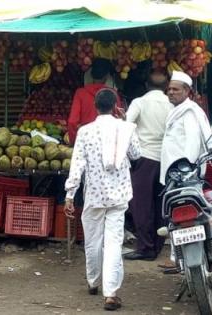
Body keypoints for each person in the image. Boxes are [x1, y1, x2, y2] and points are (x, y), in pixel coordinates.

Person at [64, 89, 142, 311]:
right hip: (118, 196)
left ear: (96, 106)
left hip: (94, 195)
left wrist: (70, 194)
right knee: (113, 243)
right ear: (116, 105)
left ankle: (93, 281)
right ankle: (111, 293)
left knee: (93, 240)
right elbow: (136, 154)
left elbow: (77, 164)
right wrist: (126, 122)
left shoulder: (85, 132)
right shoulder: (125, 129)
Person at [124, 72, 174, 261]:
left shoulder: (139, 103)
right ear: (166, 86)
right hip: (166, 160)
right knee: (160, 203)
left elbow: (126, 126)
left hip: (144, 158)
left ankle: (145, 247)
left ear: (146, 84)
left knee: (141, 205)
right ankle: (156, 246)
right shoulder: (171, 105)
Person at [160, 71, 212, 186]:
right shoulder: (177, 110)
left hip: (184, 174)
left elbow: (193, 144)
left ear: (186, 91)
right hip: (174, 171)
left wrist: (186, 171)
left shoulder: (189, 112)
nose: (170, 92)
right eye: (169, 89)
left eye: (175, 90)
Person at [67, 58, 123, 145]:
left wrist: (74, 142)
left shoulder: (81, 92)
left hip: (86, 141)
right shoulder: (113, 93)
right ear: (106, 76)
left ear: (91, 75)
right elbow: (119, 119)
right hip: (107, 142)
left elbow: (72, 121)